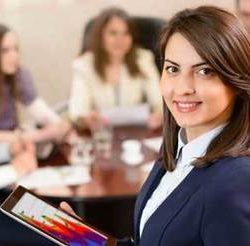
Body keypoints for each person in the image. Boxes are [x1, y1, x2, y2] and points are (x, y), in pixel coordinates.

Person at [62, 5, 250, 246]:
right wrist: (85, 240)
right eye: (172, 69)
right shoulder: (177, 146)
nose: (182, 88)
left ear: (237, 79)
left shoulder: (235, 184)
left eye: (204, 71)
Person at [69, 7, 162, 130]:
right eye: (113, 33)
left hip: (137, 134)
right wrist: (86, 119)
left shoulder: (143, 59)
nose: (120, 40)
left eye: (126, 33)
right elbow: (78, 110)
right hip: (101, 134)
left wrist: (159, 115)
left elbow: (160, 101)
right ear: (100, 36)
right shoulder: (84, 65)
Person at [0, 24, 71, 145]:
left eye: (16, 49)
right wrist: (37, 136)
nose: (14, 56)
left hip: (13, 144)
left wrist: (60, 127)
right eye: (5, 50)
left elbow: (38, 108)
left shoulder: (19, 75)